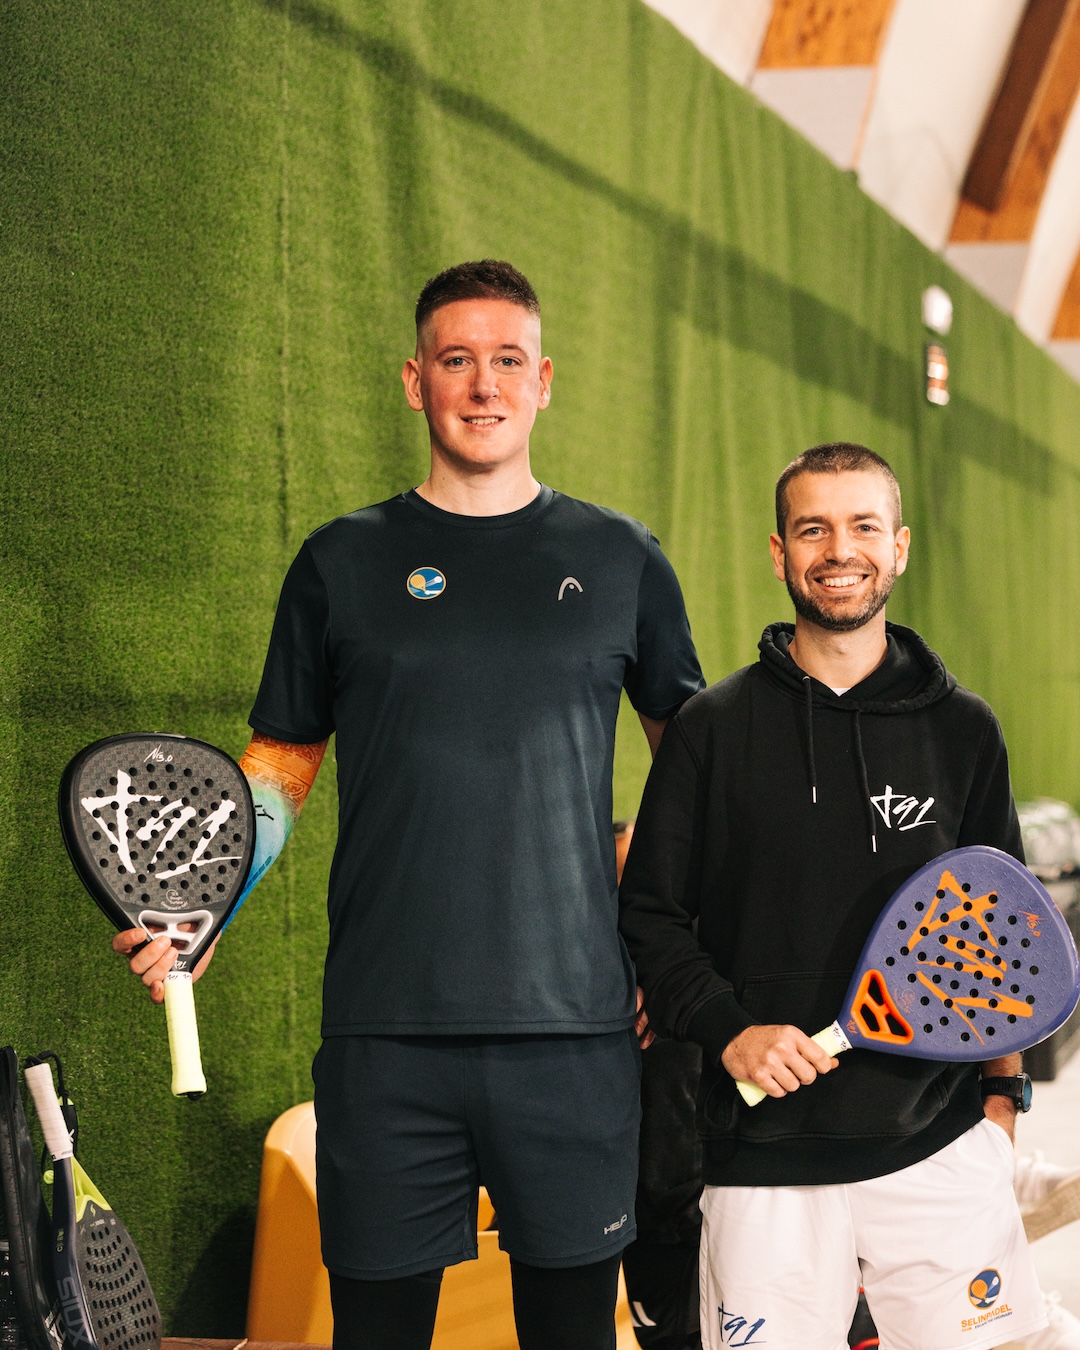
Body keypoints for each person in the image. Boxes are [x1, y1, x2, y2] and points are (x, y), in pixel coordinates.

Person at [113, 259, 704, 1350]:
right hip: (386, 1034)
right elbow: (279, 768)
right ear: (414, 380)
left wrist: (657, 935)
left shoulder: (621, 559)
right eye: (456, 359)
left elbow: (692, 770)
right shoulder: (340, 561)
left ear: (544, 383)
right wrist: (208, 903)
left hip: (573, 1035)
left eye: (509, 360)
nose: (484, 384)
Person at [619, 442, 1047, 1350]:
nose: (839, 550)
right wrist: (731, 1029)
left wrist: (1003, 1103)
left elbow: (1002, 929)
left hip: (937, 1148)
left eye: (862, 527)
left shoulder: (964, 730)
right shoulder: (709, 729)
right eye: (813, 529)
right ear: (780, 553)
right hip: (758, 1165)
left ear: (898, 547)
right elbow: (652, 916)